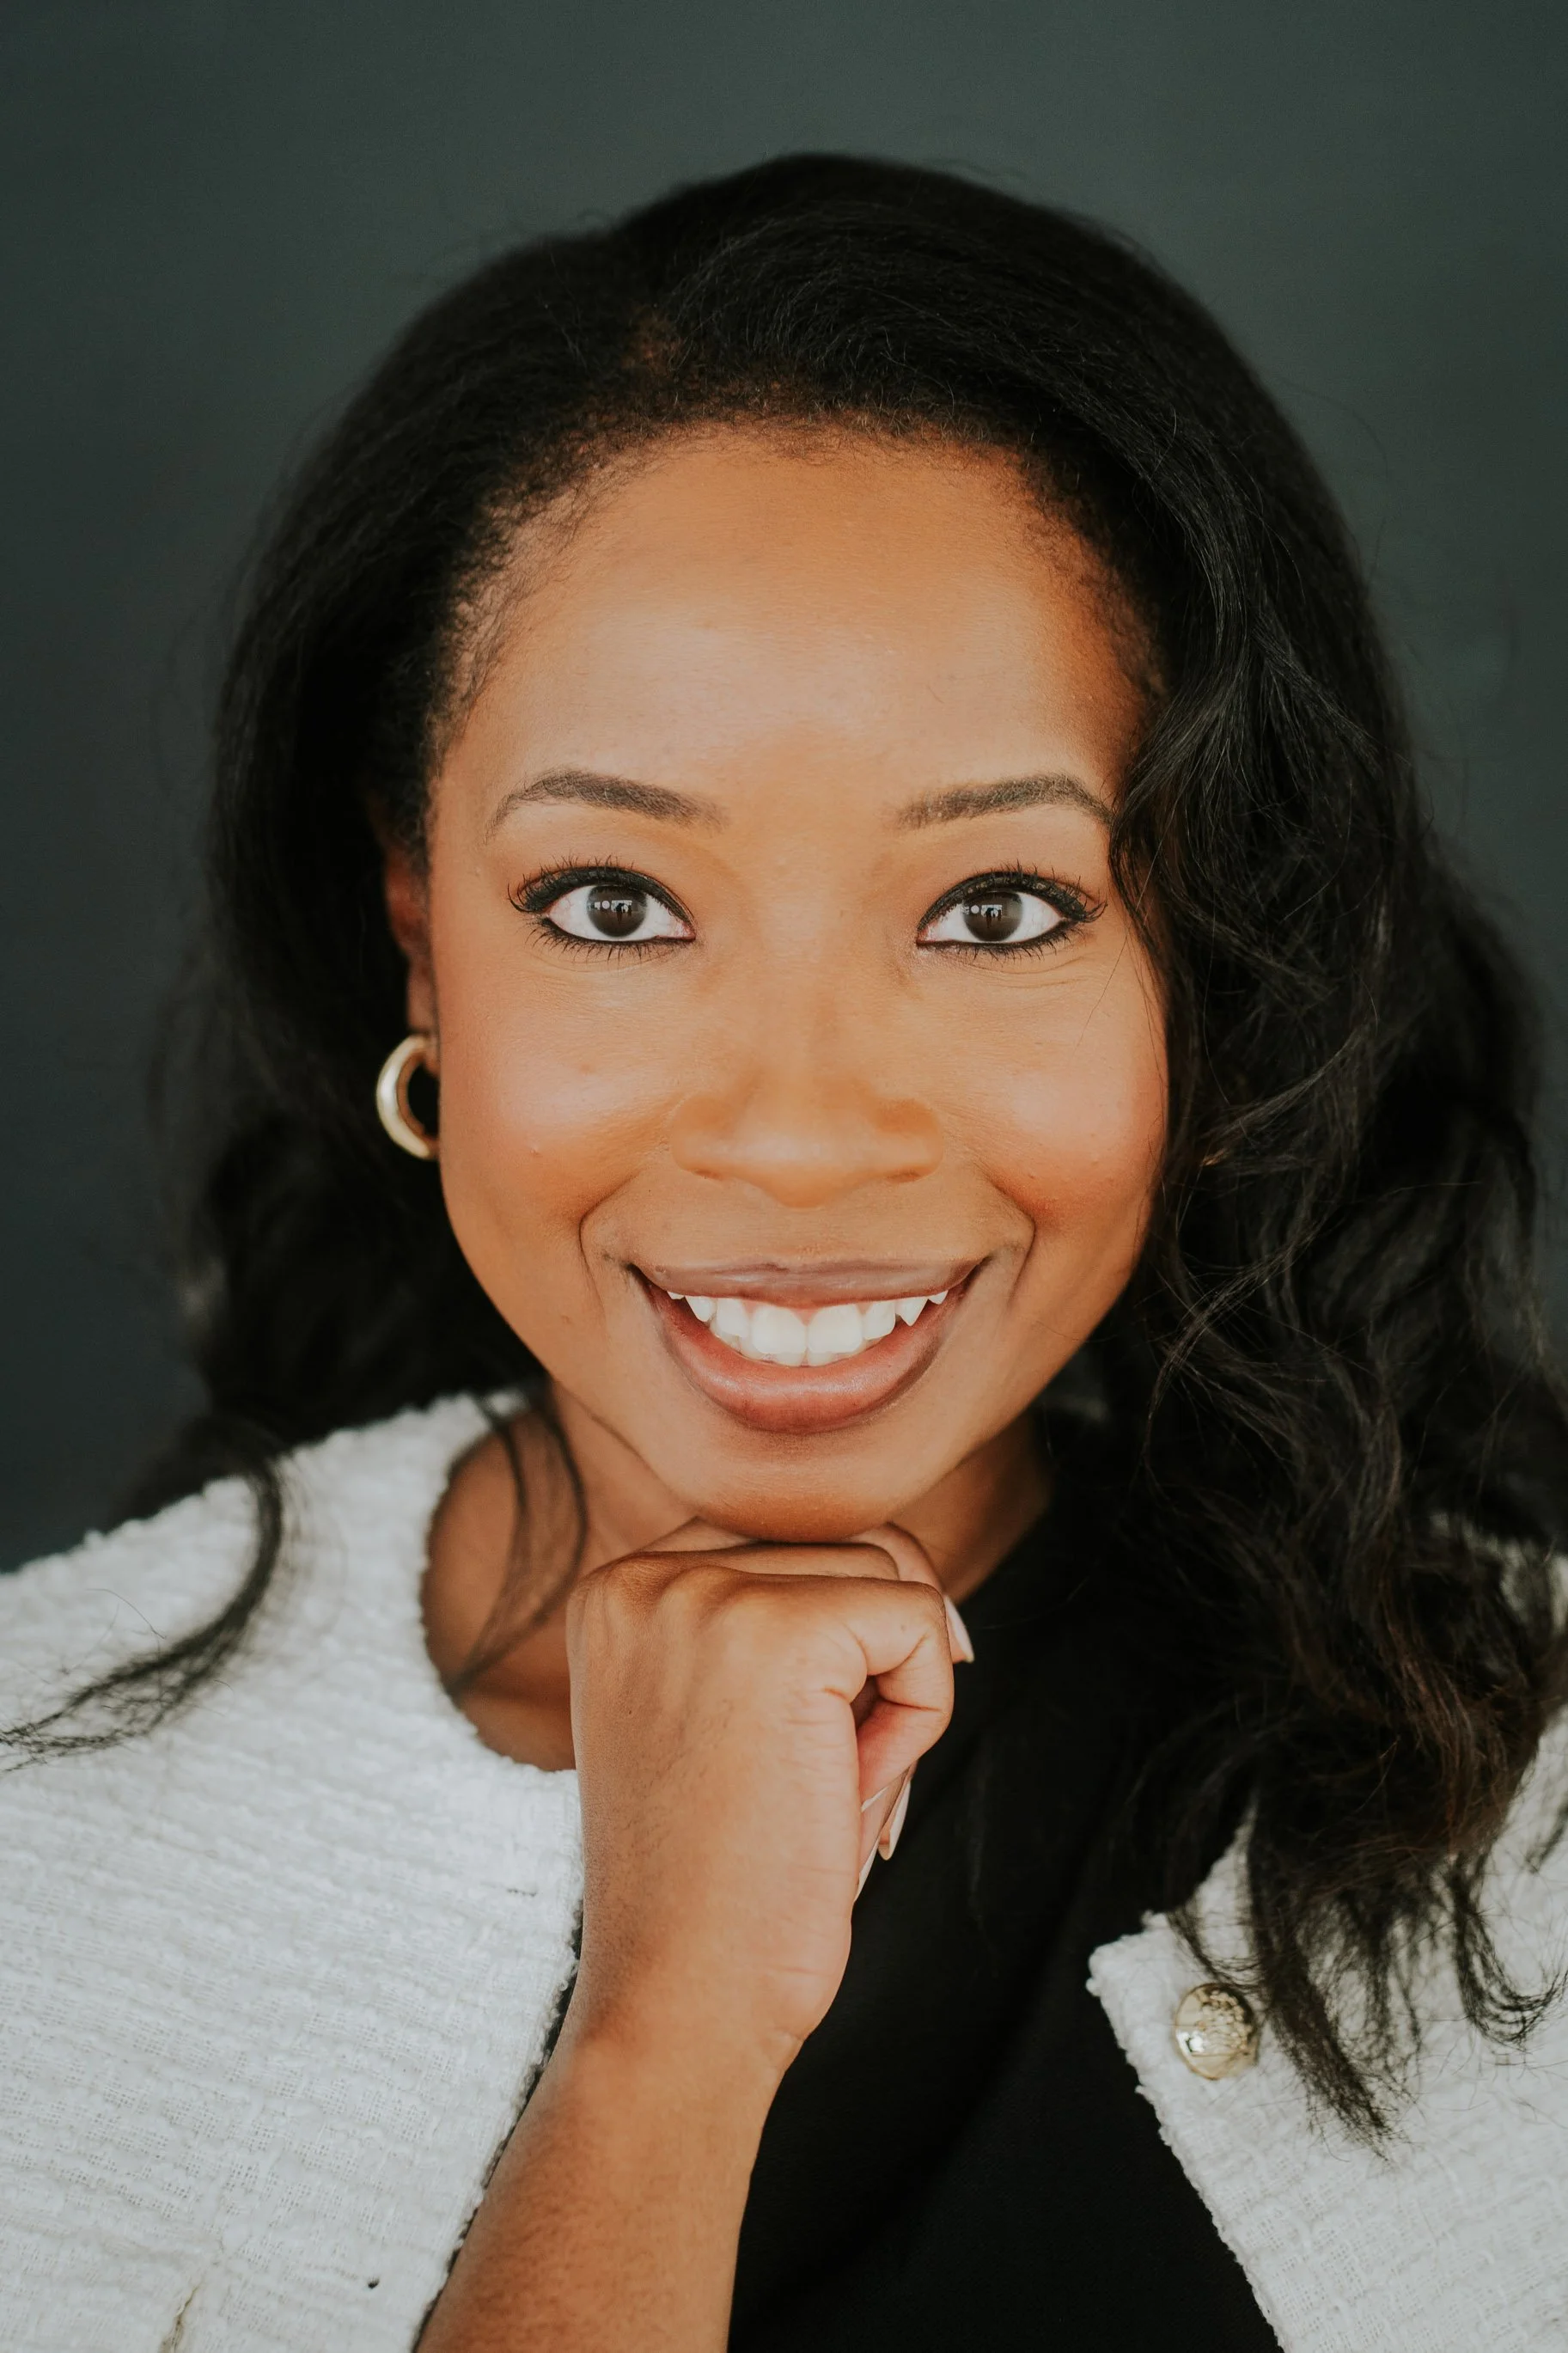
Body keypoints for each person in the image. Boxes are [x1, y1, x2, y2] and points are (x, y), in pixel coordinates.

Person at [2, 154, 1565, 2353]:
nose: (806, 1136)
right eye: (614, 904)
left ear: (1216, 968)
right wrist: (666, 2035)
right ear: (418, 940)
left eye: (1002, 907)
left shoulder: (1537, 1805)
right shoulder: (31, 1825)